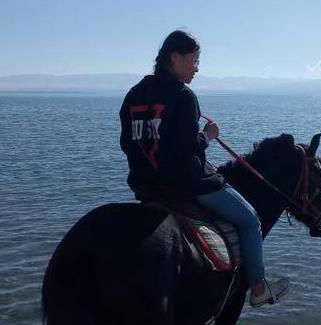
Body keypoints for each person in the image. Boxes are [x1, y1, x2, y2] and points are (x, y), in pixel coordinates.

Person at [119, 30, 290, 307]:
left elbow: (128, 144)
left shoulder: (133, 95)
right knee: (250, 220)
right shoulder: (183, 96)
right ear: (174, 57)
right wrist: (208, 135)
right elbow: (187, 149)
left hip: (147, 187)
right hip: (189, 185)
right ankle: (258, 288)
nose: (197, 68)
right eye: (194, 60)